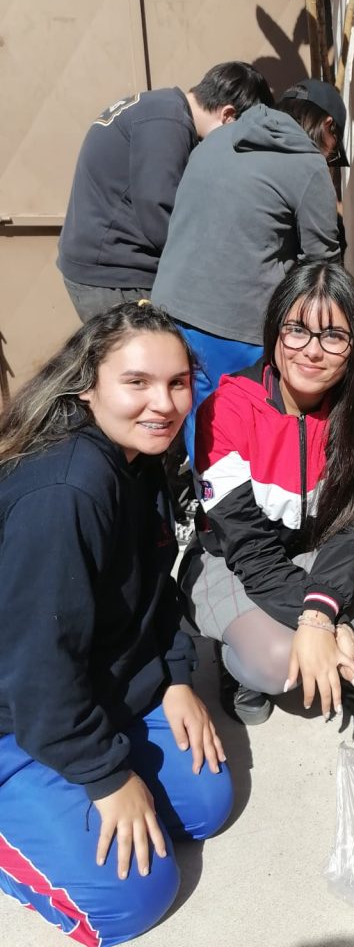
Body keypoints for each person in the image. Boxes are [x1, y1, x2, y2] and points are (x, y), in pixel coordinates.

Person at [0, 302, 232, 946]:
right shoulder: (65, 493)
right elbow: (38, 669)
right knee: (134, 897)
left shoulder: (140, 459)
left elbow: (156, 590)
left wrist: (174, 676)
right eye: (137, 382)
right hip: (17, 716)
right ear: (87, 383)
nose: (163, 403)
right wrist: (107, 776)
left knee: (206, 805)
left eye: (178, 382)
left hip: (92, 686)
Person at [179, 264, 354, 751]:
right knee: (272, 661)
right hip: (237, 560)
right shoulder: (227, 409)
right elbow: (248, 547)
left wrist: (323, 613)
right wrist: (316, 621)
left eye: (334, 335)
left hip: (321, 548)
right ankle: (237, 665)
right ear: (274, 331)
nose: (311, 349)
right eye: (297, 329)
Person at [151, 78, 348, 461]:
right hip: (236, 329)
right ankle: (239, 515)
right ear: (328, 129)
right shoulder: (307, 165)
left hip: (170, 313)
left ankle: (203, 509)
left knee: (195, 424)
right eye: (333, 155)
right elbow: (323, 270)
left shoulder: (217, 141)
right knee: (241, 433)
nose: (328, 162)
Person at [57, 61, 273, 322]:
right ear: (228, 115)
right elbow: (160, 213)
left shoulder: (160, 108)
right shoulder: (168, 122)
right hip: (115, 277)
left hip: (101, 268)